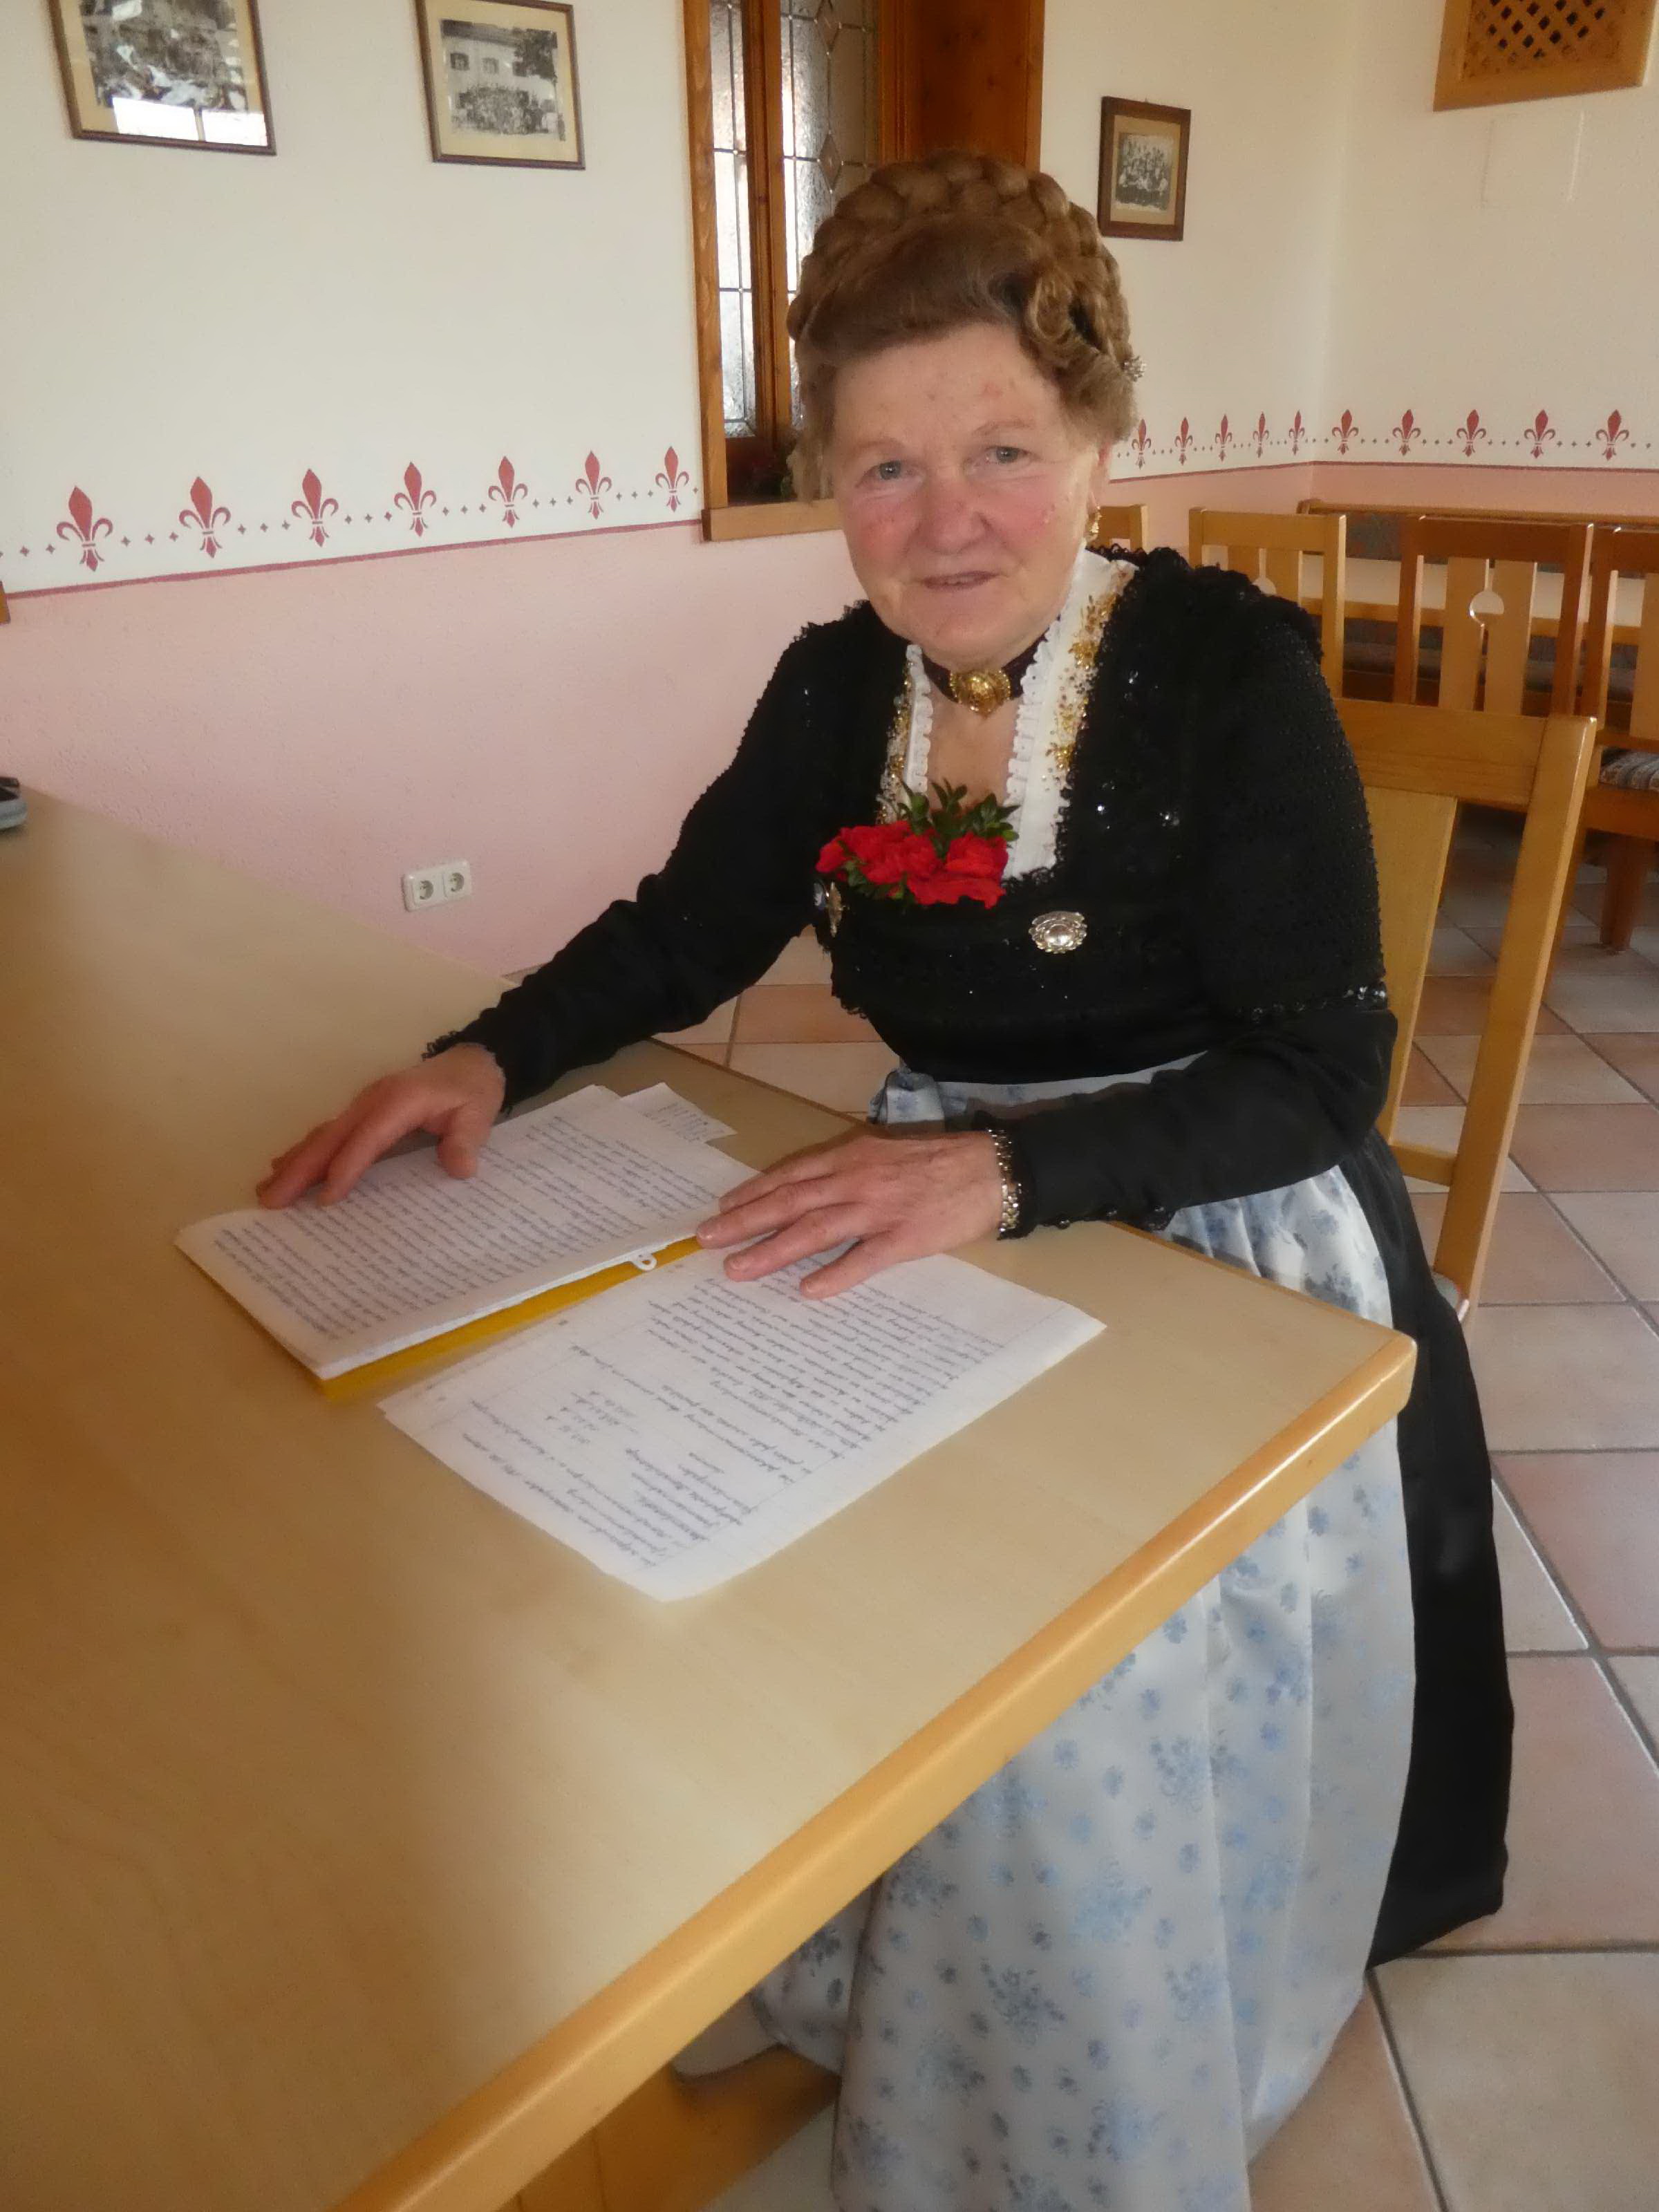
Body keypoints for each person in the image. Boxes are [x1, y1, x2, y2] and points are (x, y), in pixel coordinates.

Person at [261, 151, 1510, 2212]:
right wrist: (482, 1054)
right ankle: (866, 1949)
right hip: (956, 1201)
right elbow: (688, 929)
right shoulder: (837, 688)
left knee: (1062, 1672)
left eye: (1004, 451)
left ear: (1100, 444)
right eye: (884, 469)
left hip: (1229, 1231)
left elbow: (1323, 1072)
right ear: (826, 484)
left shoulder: (1228, 674)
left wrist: (995, 1174)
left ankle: (1077, 2091)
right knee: (770, 1563)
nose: (947, 523)